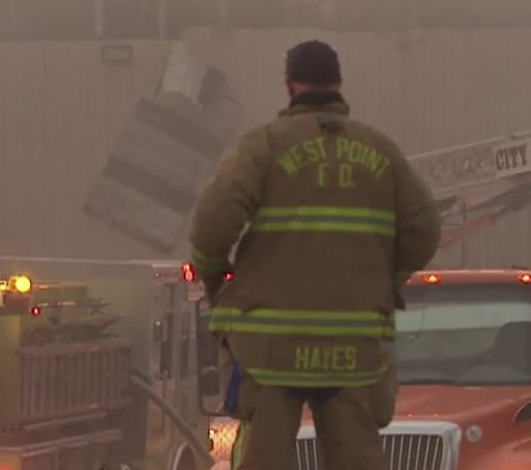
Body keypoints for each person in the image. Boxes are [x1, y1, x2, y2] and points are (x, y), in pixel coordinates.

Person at [187, 39, 442, 470]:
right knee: (359, 458)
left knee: (263, 458)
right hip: (353, 349)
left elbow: (212, 225)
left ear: (290, 85)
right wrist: (386, 280)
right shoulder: (381, 151)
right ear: (338, 82)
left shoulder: (264, 147)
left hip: (271, 347)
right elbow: (425, 231)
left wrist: (214, 277)